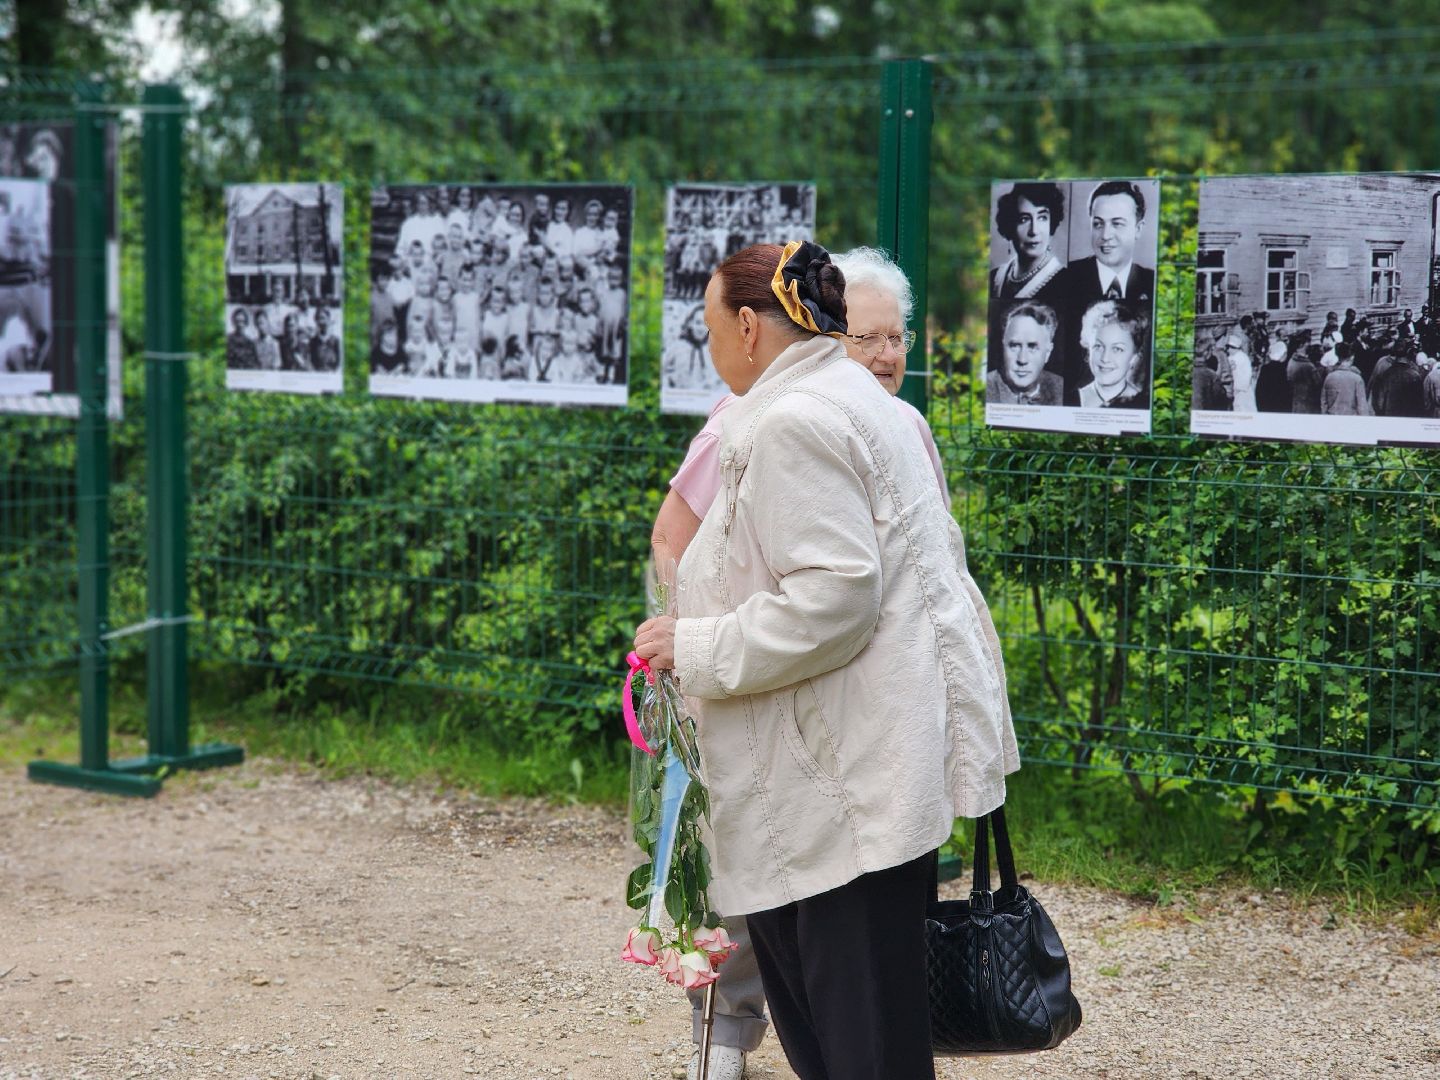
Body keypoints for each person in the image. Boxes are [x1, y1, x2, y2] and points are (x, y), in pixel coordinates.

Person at [636, 241, 1016, 1080]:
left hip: (843, 789)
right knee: (846, 1031)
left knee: (856, 1044)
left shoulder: (796, 419)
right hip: (849, 776)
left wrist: (694, 644)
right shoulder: (846, 399)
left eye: (708, 328)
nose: (709, 348)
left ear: (746, 325)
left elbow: (836, 597)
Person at [1065, 180, 1155, 393]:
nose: (1105, 235)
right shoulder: (1065, 278)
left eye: (1117, 223)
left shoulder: (1153, 283)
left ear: (1138, 229)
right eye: (1098, 224)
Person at [989, 181, 1069, 305]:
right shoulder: (994, 278)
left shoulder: (1065, 282)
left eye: (1042, 218)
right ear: (1010, 226)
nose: (1034, 231)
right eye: (1024, 219)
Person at [986, 302, 1064, 405]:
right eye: (1014, 345)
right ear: (1003, 346)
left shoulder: (1060, 388)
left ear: (1048, 353)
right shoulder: (984, 387)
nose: (1022, 359)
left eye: (1032, 347)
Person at [1075, 299, 1149, 408]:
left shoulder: (1144, 404)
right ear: (1088, 350)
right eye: (1098, 346)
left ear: (1134, 357)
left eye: (1117, 349)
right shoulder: (1069, 399)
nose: (1105, 358)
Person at [1321, 341, 1370, 416]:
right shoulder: (1357, 379)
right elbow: (1362, 407)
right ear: (1352, 357)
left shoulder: (1329, 377)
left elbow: (1324, 403)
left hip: (1332, 419)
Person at [1286, 341, 1324, 414]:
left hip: (1296, 399)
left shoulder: (1292, 360)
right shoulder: (1309, 366)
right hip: (1309, 401)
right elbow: (1318, 383)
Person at [309, 306, 341, 372]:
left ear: (329, 319)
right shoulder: (313, 342)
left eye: (323, 318)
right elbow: (311, 362)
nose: (321, 322)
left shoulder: (336, 341)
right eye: (319, 319)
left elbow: (339, 363)